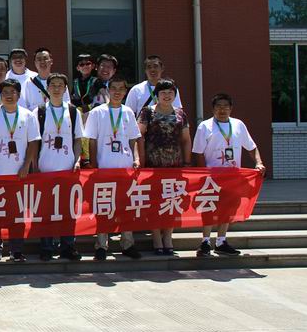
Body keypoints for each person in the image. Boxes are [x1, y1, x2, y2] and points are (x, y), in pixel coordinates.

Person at [192, 93, 267, 257]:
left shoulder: (238, 125)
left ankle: (221, 241)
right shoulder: (205, 126)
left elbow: (251, 147)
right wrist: (204, 173)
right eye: (218, 106)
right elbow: (198, 152)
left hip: (232, 177)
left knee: (228, 208)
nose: (222, 110)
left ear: (231, 108)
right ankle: (205, 242)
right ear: (213, 109)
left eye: (226, 106)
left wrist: (258, 162)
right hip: (212, 176)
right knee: (209, 207)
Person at [83, 75, 142, 261]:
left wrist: (136, 158)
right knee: (103, 207)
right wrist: (94, 164)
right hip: (104, 168)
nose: (117, 92)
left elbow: (133, 139)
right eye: (114, 88)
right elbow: (92, 140)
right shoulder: (97, 112)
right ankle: (101, 245)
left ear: (125, 91)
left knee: (125, 208)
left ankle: (127, 244)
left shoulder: (128, 112)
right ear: (108, 90)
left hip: (125, 168)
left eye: (121, 89)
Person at [0, 79, 40, 263]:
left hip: (18, 175)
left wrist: (26, 166)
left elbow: (33, 142)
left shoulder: (28, 115)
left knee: (18, 214)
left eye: (12, 92)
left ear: (19, 95)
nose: (9, 95)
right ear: (0, 95)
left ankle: (16, 250)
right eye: (5, 92)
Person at [137, 79, 191, 256]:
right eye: (163, 93)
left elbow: (186, 139)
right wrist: (140, 160)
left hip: (174, 165)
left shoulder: (181, 113)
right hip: (153, 165)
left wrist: (187, 162)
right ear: (156, 95)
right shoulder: (147, 112)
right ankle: (156, 238)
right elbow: (139, 136)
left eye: (170, 92)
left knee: (172, 201)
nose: (167, 96)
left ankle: (168, 236)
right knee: (154, 202)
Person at [34, 74, 83, 261]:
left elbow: (78, 140)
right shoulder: (39, 112)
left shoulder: (73, 111)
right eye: (53, 85)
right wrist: (34, 166)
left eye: (60, 85)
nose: (56, 89)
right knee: (45, 210)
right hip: (45, 169)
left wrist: (77, 160)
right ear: (47, 88)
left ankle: (68, 246)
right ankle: (46, 246)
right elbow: (33, 142)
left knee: (68, 210)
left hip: (67, 168)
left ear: (65, 89)